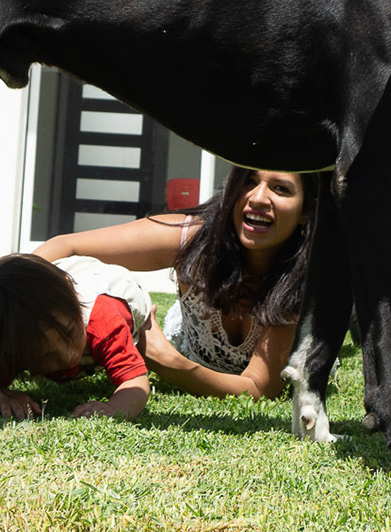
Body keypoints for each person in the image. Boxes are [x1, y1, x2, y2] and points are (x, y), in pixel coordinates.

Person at [35, 168, 318, 401]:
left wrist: (165, 360)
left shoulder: (303, 281)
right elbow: (65, 247)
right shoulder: (193, 237)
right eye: (249, 181)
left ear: (306, 210)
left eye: (281, 189)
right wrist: (15, 317)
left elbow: (257, 389)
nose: (258, 197)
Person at [0, 252, 153, 420]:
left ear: (75, 307)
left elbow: (136, 383)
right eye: (46, 356)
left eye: (70, 333)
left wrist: (114, 408)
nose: (69, 356)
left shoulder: (104, 322)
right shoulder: (12, 338)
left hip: (118, 285)